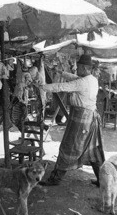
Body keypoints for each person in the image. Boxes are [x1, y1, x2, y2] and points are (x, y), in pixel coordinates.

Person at [39, 54, 104, 186]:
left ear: (85, 68)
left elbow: (61, 87)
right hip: (90, 119)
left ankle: (55, 179)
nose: (76, 69)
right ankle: (102, 180)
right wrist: (60, 72)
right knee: (93, 150)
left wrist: (42, 87)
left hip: (81, 119)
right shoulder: (92, 79)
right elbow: (74, 78)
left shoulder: (82, 82)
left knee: (69, 147)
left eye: (79, 67)